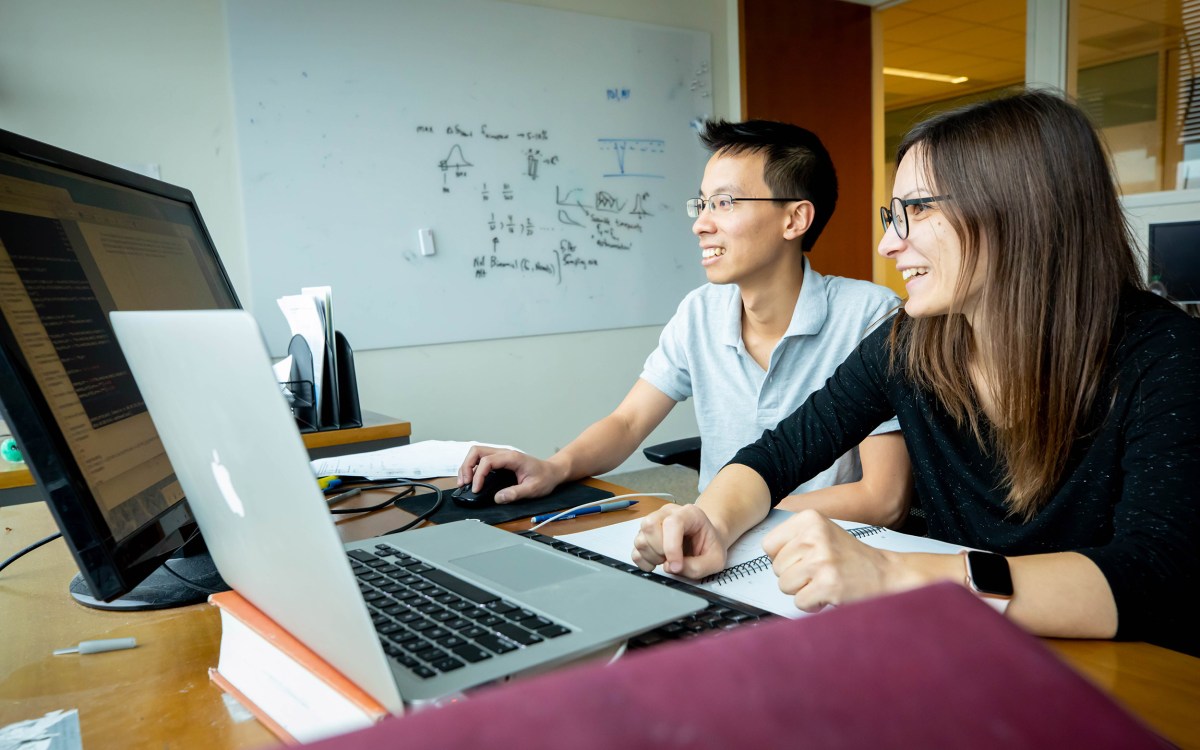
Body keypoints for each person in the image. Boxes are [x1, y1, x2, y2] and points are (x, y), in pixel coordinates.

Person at [632, 90, 1200, 656]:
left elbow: (1152, 578)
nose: (887, 244)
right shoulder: (912, 343)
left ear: (1019, 210)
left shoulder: (1164, 353)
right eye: (892, 213)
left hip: (1118, 670)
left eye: (919, 209)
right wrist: (711, 518)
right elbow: (778, 453)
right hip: (965, 647)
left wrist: (894, 573)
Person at [458, 120, 910, 525]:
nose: (700, 224)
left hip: (828, 553)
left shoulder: (868, 316)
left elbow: (883, 498)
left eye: (725, 203)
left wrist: (727, 514)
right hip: (713, 541)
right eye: (702, 203)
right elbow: (628, 423)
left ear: (794, 218)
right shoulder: (700, 311)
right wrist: (554, 467)